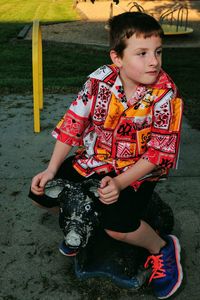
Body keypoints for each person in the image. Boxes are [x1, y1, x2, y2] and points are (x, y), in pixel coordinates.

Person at [29, 12, 183, 299]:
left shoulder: (166, 96)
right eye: (142, 53)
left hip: (138, 170)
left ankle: (161, 248)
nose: (154, 61)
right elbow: (73, 124)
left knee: (118, 227)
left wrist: (121, 183)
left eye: (158, 52)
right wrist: (51, 170)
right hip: (95, 160)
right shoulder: (99, 81)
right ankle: (84, 221)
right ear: (118, 58)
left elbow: (158, 153)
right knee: (43, 194)